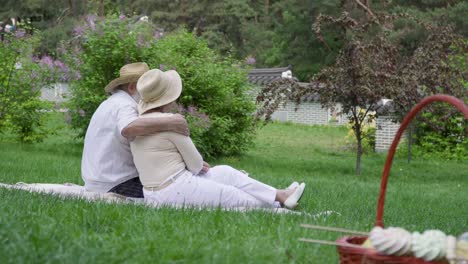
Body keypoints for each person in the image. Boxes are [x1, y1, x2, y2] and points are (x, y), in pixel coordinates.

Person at [130, 69, 306, 209]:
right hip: (175, 189)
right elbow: (196, 166)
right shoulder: (170, 123)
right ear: (167, 99)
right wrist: (194, 164)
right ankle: (277, 205)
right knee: (234, 196)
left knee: (225, 172)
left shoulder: (137, 123)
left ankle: (280, 194)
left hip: (154, 194)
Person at [81, 63, 190, 198]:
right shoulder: (125, 105)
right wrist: (170, 122)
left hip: (100, 181)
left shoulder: (109, 103)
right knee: (172, 193)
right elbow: (128, 128)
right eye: (144, 87)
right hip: (116, 183)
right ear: (132, 87)